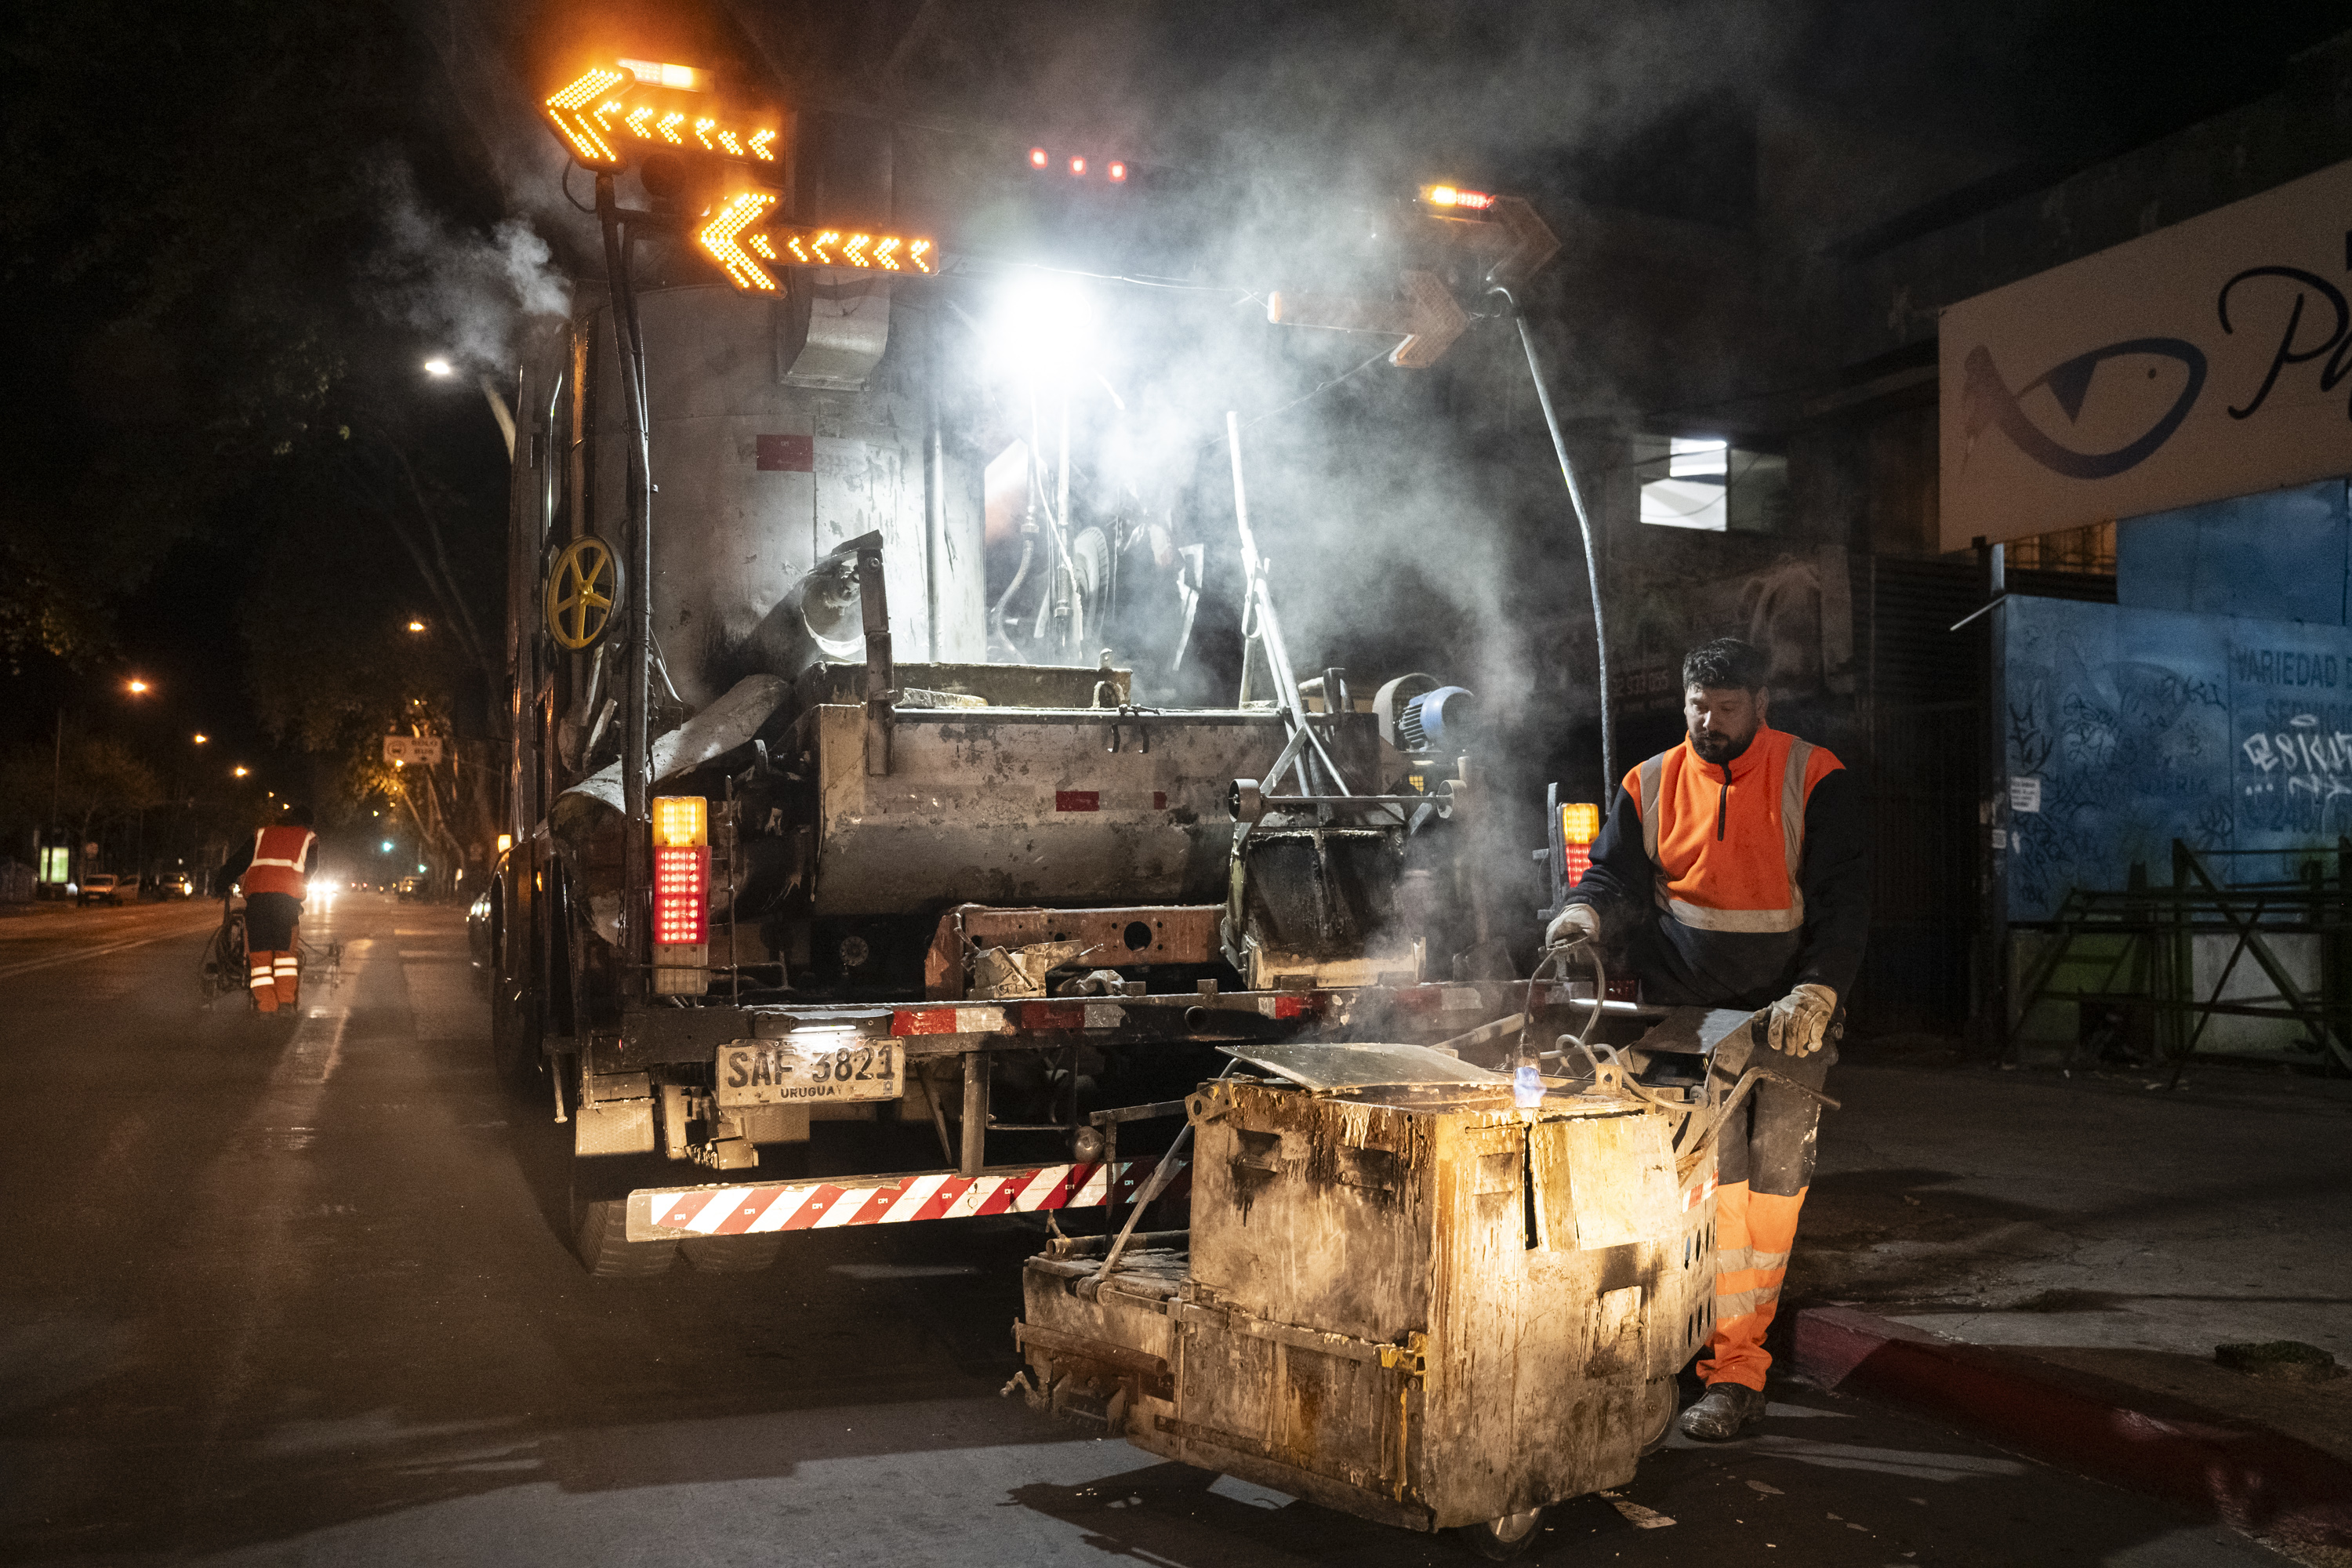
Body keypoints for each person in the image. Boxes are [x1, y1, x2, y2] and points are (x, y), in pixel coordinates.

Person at [1545, 637, 1868, 1441]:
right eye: (1698, 706)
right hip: (1683, 1015)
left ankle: (1737, 1371)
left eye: (1726, 709)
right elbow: (1615, 876)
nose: (1708, 722)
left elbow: (1844, 897)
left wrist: (1820, 986)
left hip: (1782, 1015)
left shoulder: (1812, 775)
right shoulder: (1650, 781)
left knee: (1764, 1197)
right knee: (1686, 1191)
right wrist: (1584, 911)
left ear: (1761, 705)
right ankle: (1663, 1354)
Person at [212, 804, 319, 1013]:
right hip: (287, 903)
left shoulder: (262, 833)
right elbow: (311, 868)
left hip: (258, 901)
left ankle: (266, 1006)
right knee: (286, 954)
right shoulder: (308, 837)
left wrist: (221, 884)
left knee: (259, 956)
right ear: (307, 823)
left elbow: (238, 862)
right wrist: (300, 886)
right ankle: (286, 1003)